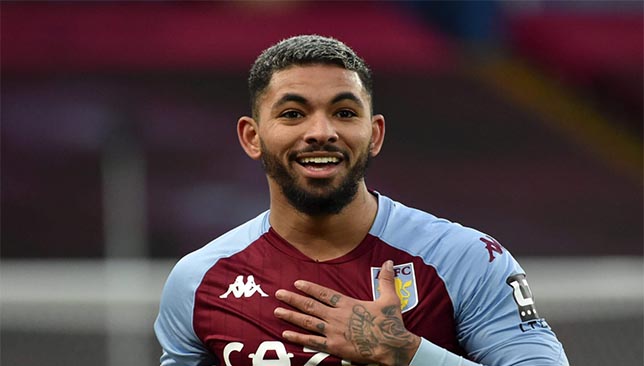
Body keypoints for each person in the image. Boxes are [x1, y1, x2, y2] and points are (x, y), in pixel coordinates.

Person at [154, 35, 569, 366]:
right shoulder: (198, 281)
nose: (321, 131)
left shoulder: (466, 259)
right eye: (293, 113)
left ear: (375, 135)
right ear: (252, 136)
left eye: (345, 113)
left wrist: (406, 353)